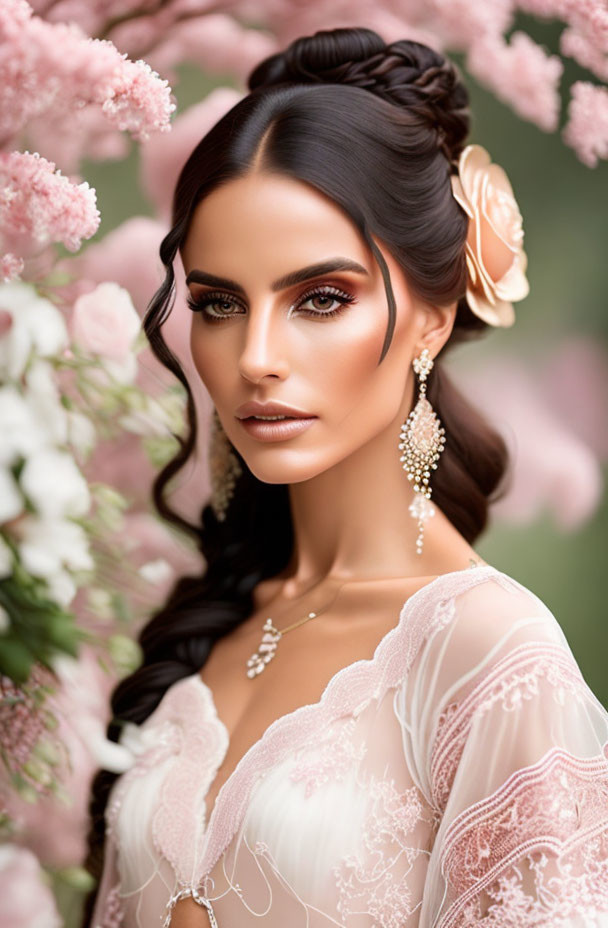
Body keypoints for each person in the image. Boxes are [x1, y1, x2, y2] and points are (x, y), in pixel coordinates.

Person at [82, 26, 608, 928]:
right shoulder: (219, 623)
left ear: (433, 317)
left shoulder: (492, 660)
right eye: (218, 304)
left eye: (319, 299)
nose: (254, 358)